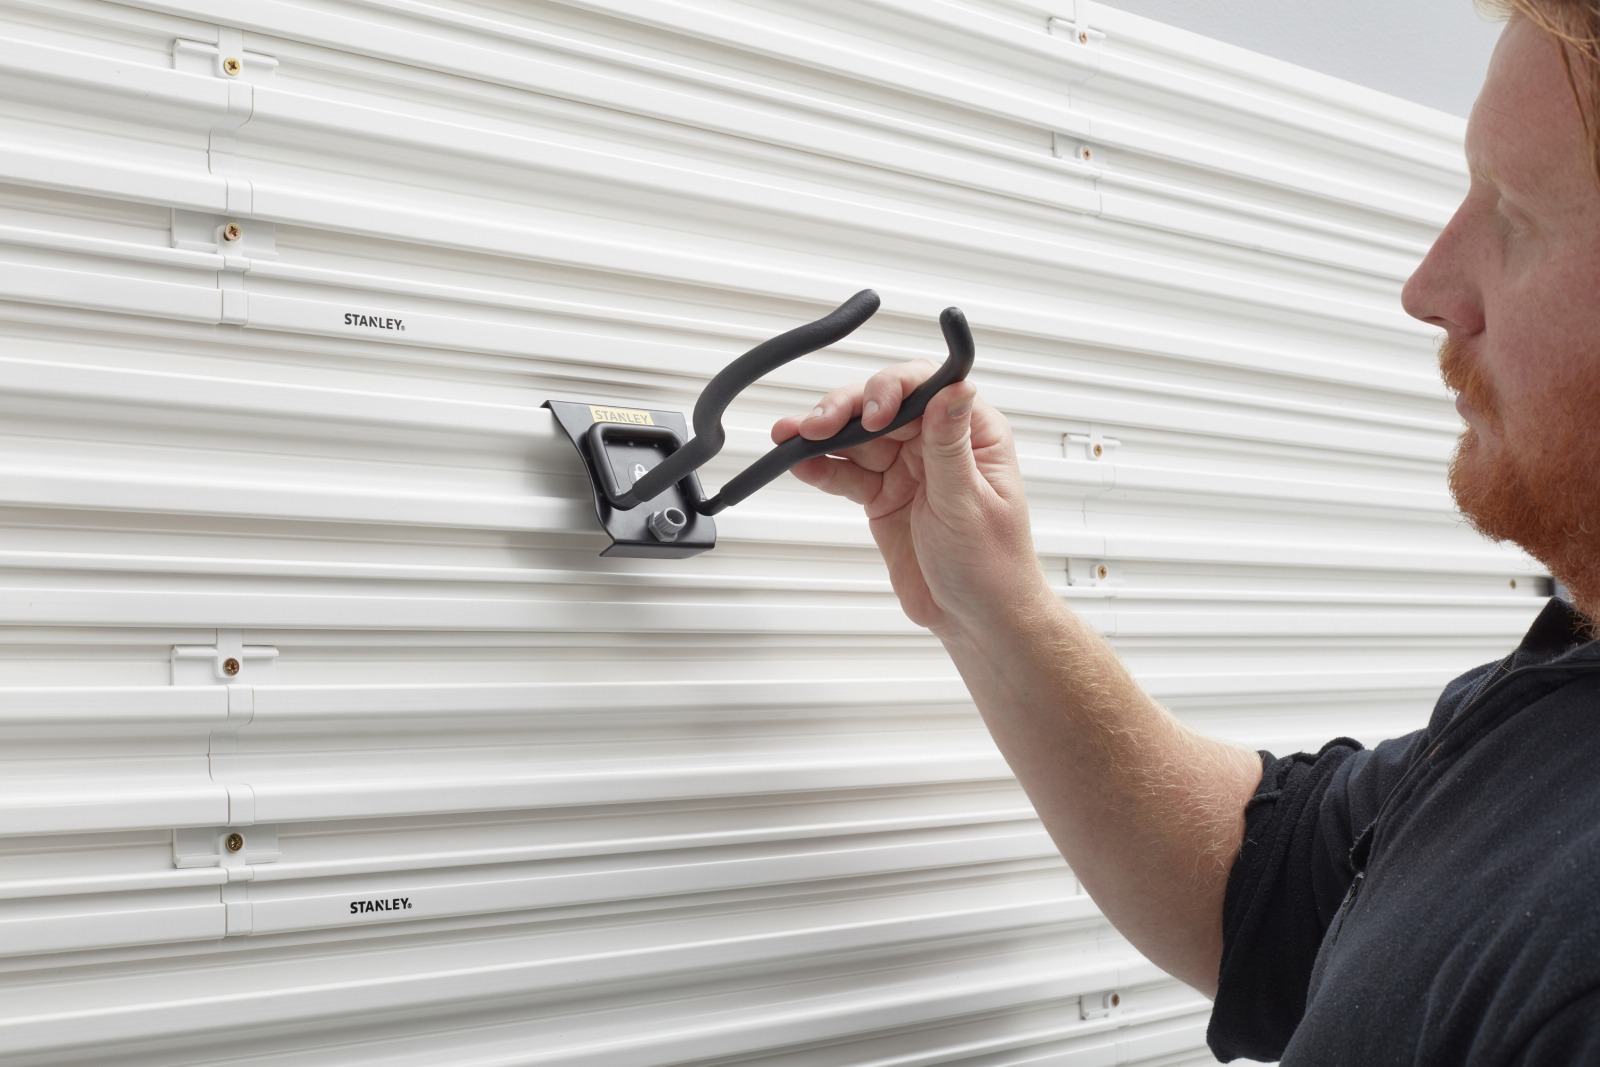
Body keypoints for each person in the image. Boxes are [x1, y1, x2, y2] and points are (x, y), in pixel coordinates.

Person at [773, 3, 1600, 1062]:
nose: (1426, 288)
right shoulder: (1553, 712)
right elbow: (1271, 892)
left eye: (1514, 213)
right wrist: (992, 606)